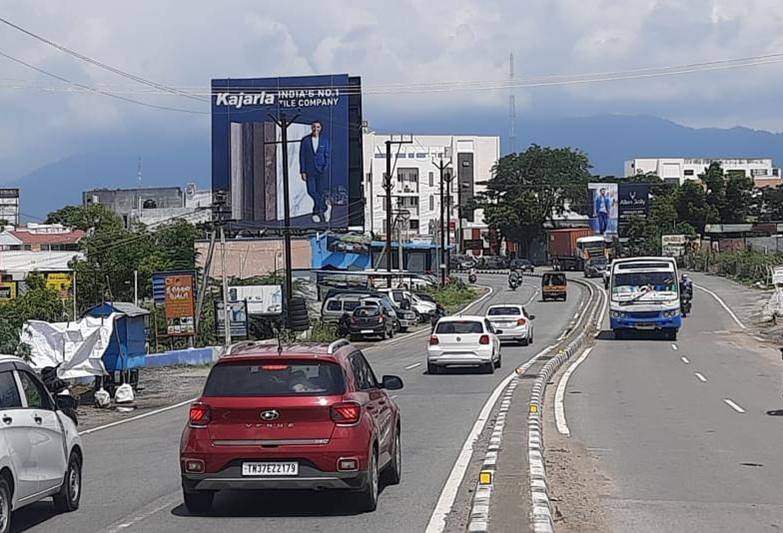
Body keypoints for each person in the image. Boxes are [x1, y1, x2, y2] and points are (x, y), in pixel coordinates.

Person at [299, 120, 331, 224]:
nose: (315, 129)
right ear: (311, 128)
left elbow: (327, 156)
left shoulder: (324, 141)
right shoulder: (305, 140)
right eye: (314, 127)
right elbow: (302, 156)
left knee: (320, 192)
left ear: (320, 128)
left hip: (321, 170)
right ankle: (326, 207)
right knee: (311, 191)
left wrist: (325, 168)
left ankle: (315, 213)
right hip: (309, 170)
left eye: (317, 127)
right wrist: (302, 171)